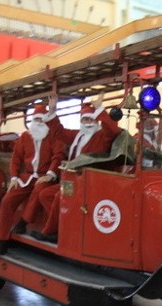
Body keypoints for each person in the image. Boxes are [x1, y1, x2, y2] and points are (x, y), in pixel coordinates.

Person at [31, 93, 121, 243]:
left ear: (96, 120)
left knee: (60, 196)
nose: (87, 122)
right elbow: (59, 132)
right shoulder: (78, 135)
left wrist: (100, 109)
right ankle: (64, 226)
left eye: (90, 119)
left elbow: (112, 131)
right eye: (84, 119)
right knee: (45, 194)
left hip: (88, 183)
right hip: (71, 182)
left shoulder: (102, 136)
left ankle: (50, 231)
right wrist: (52, 111)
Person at [0, 103, 66, 255]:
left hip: (46, 177)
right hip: (26, 177)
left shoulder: (53, 136)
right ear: (33, 120)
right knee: (7, 200)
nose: (39, 122)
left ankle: (23, 222)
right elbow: (16, 159)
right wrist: (13, 177)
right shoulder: (25, 136)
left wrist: (50, 174)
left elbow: (58, 156)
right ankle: (2, 240)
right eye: (37, 119)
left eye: (42, 119)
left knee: (39, 190)